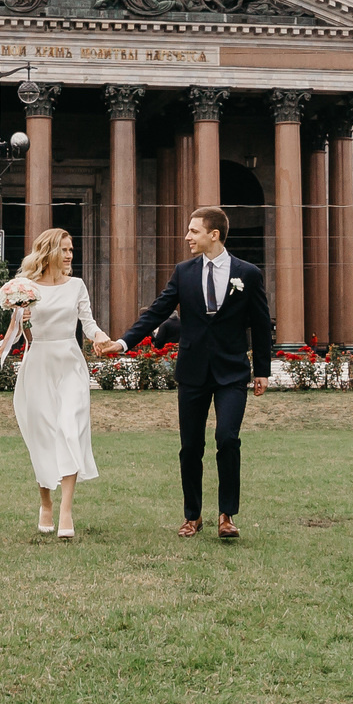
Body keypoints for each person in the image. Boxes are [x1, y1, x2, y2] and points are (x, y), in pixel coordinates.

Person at [123, 205, 274, 540]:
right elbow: (157, 312)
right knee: (190, 446)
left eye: (194, 231)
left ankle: (226, 516)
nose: (187, 237)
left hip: (232, 372)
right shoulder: (183, 272)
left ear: (213, 234)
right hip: (192, 372)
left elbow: (262, 324)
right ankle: (192, 516)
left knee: (227, 439)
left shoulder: (247, 273)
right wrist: (124, 342)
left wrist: (262, 369)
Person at [0, 226, 118, 539]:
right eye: (64, 249)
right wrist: (22, 322)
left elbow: (89, 325)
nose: (68, 255)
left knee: (70, 429)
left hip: (70, 363)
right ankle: (45, 503)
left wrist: (106, 340)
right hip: (38, 363)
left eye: (71, 250)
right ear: (48, 251)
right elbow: (27, 336)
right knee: (43, 436)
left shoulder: (76, 285)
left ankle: (66, 510)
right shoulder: (25, 287)